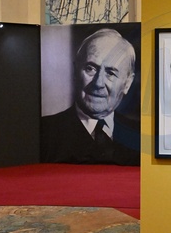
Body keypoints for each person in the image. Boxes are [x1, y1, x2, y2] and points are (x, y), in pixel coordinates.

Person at [40, 28, 139, 165]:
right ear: (75, 71)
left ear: (127, 84)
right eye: (90, 68)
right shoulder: (44, 132)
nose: (98, 83)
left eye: (110, 73)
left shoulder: (138, 134)